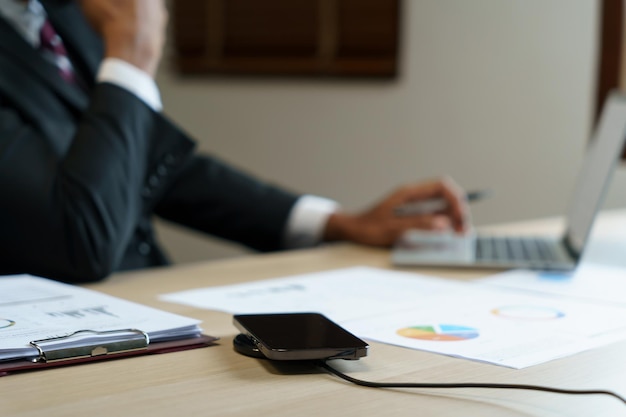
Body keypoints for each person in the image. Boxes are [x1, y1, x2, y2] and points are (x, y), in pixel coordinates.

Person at [0, 0, 470, 283]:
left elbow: (142, 163)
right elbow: (80, 240)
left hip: (146, 315)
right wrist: (131, 56)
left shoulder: (53, 15)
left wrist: (339, 223)